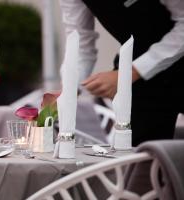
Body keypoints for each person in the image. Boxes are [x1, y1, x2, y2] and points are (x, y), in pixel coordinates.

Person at [59, 0, 184, 146]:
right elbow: (80, 44)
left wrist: (128, 73)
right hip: (139, 79)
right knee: (142, 158)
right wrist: (68, 91)